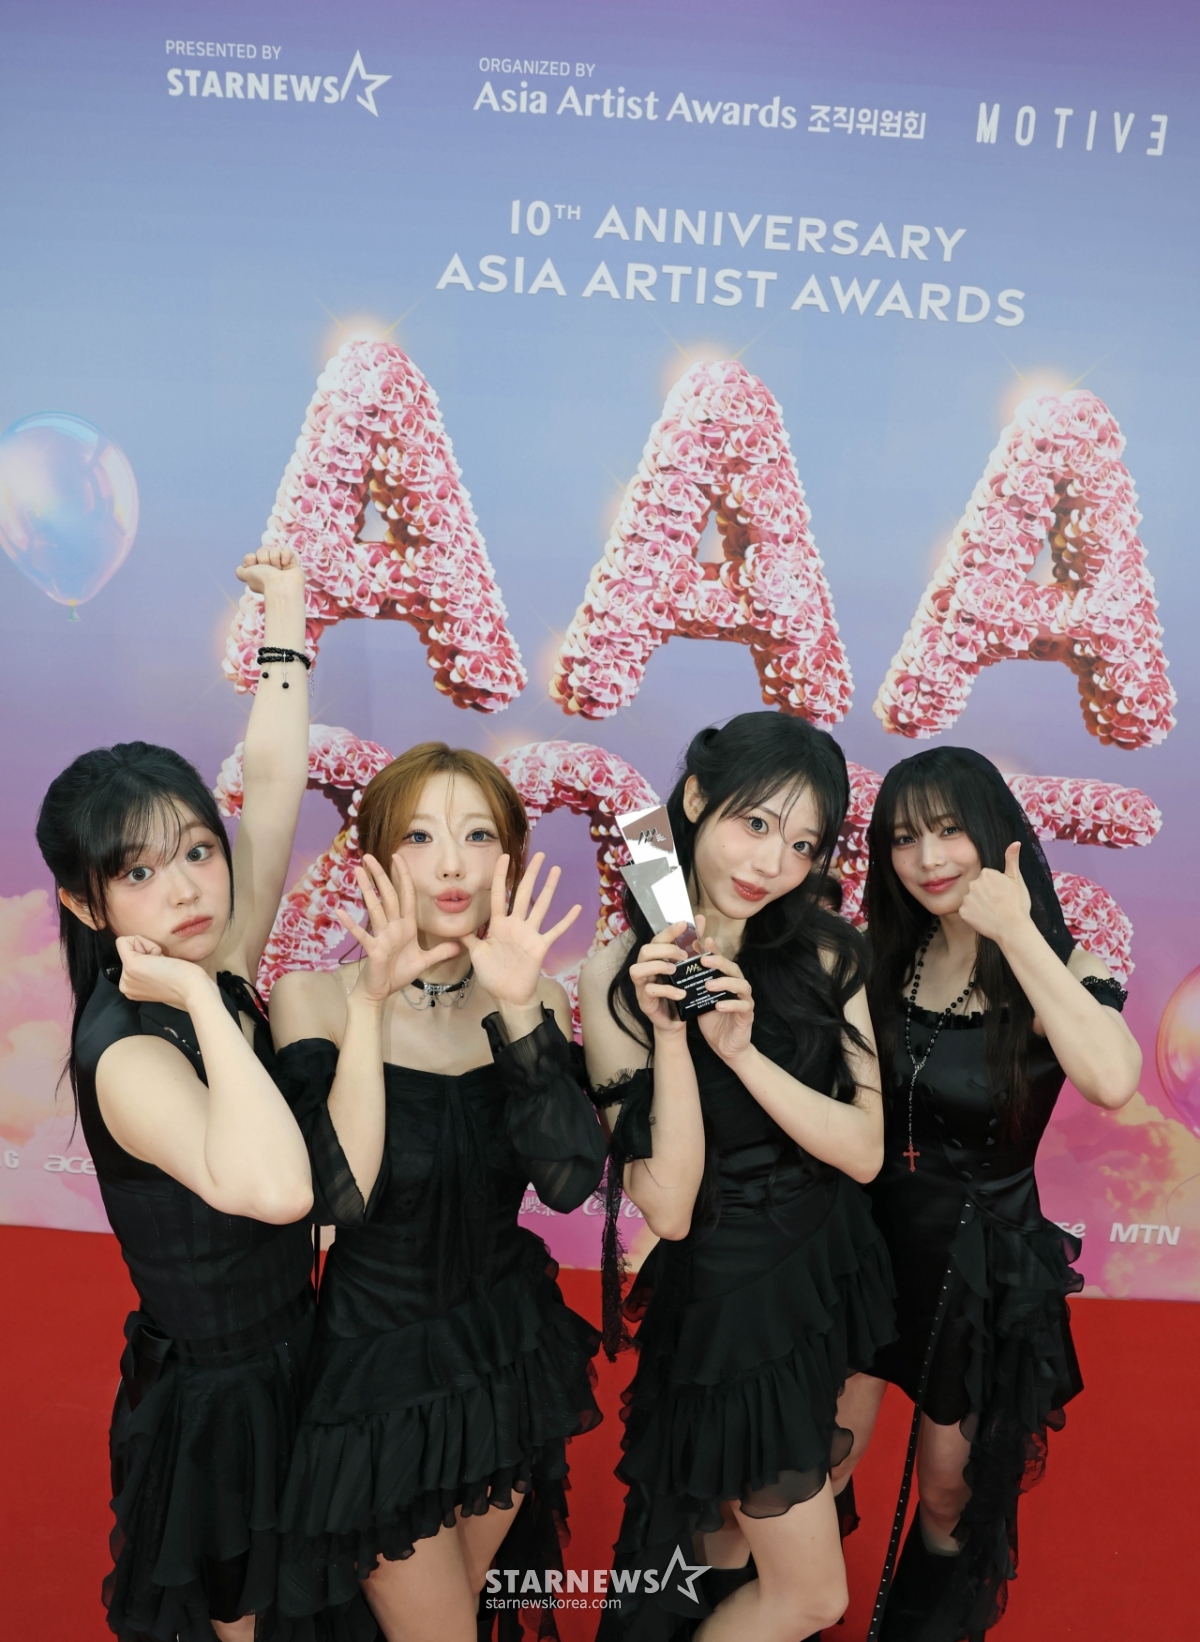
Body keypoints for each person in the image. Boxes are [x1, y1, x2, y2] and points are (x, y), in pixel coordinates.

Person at [35, 548, 321, 1642]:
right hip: (221, 1409)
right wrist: (202, 1000)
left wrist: (286, 617)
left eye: (199, 849)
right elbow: (277, 1188)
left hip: (307, 1351)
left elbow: (276, 788)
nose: (190, 887)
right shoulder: (127, 1054)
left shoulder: (217, 949)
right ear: (86, 903)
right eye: (140, 872)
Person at [268, 743, 608, 1642]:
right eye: (420, 837)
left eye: (478, 836)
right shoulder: (313, 997)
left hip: (505, 1350)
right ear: (375, 858)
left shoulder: (537, 996)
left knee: (460, 1603)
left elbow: (569, 1181)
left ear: (512, 859)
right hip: (377, 1371)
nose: (453, 863)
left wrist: (521, 1007)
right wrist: (371, 1005)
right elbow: (340, 1199)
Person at [578, 713, 896, 1642]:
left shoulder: (829, 950)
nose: (771, 864)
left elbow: (864, 1151)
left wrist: (744, 1051)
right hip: (730, 1297)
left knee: (731, 1539)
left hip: (828, 1264)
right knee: (808, 1593)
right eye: (754, 824)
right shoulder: (617, 972)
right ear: (694, 800)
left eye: (801, 844)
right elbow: (669, 1208)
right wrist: (674, 1033)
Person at [833, 747, 1141, 1641]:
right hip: (861, 1245)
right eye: (904, 838)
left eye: (948, 830)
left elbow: (1113, 1078)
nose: (928, 858)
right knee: (814, 1463)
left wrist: (1019, 934)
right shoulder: (881, 954)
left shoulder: (1062, 963)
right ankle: (788, 1606)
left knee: (946, 1495)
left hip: (979, 1264)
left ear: (994, 832)